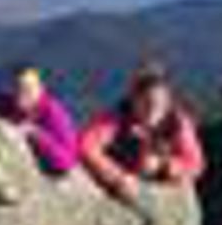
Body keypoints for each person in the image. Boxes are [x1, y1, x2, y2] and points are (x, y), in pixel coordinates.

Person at [80, 63, 207, 203]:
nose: (152, 110)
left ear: (167, 99)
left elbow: (196, 164)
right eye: (146, 102)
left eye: (158, 103)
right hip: (119, 182)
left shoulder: (177, 123)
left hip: (160, 189)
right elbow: (86, 146)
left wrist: (163, 165)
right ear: (133, 99)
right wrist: (117, 176)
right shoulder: (117, 119)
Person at [0, 65, 79, 174]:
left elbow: (66, 161)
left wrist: (36, 133)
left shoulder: (54, 115)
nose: (22, 93)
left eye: (29, 88)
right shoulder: (7, 102)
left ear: (40, 89)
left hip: (47, 172)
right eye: (18, 88)